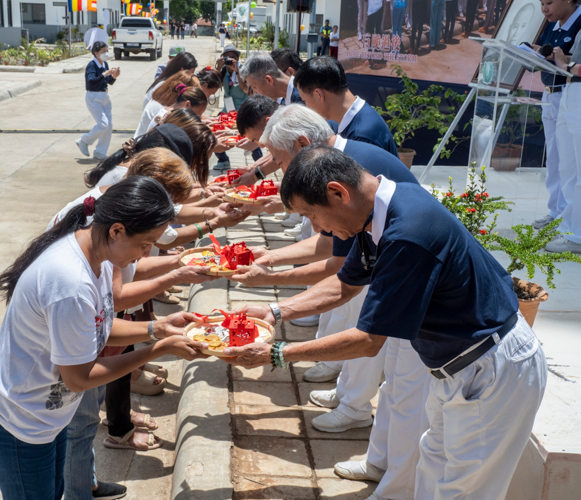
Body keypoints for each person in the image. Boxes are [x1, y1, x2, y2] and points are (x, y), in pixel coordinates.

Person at [224, 144, 548, 500]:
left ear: (338, 192)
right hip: (457, 366)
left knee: (462, 490)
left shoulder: (407, 231)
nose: (318, 228)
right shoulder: (377, 212)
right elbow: (345, 283)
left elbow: (368, 340)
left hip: (491, 368)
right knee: (432, 469)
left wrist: (278, 353)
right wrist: (274, 312)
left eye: (312, 215)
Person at [0, 175, 209, 499]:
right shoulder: (71, 283)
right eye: (144, 244)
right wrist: (158, 349)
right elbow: (79, 379)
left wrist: (157, 328)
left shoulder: (97, 259)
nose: (143, 255)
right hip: (16, 423)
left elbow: (96, 327)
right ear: (116, 230)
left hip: (44, 416)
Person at [531, 0, 581, 231]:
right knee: (555, 158)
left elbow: (573, 62)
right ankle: (556, 211)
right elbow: (546, 51)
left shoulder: (578, 21)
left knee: (570, 161)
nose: (544, 9)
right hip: (551, 92)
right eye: (541, 3)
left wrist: (563, 62)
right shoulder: (552, 24)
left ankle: (569, 219)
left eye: (549, 2)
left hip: (570, 93)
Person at [294, 56, 398, 156]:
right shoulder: (353, 119)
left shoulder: (362, 137)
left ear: (319, 94)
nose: (307, 107)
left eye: (305, 100)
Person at [546, 28, 581, 254]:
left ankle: (576, 236)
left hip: (575, 86)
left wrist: (566, 66)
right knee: (568, 169)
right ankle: (569, 226)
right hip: (571, 89)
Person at [76, 41, 120, 161]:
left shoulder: (104, 64)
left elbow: (107, 82)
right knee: (103, 124)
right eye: (103, 51)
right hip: (94, 97)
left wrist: (114, 77)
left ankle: (100, 152)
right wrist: (105, 74)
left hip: (104, 96)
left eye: (107, 51)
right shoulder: (92, 65)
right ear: (96, 53)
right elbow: (91, 81)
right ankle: (84, 141)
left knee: (109, 125)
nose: (106, 53)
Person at [213, 44, 250, 170]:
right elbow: (215, 85)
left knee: (251, 134)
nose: (230, 60)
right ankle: (223, 160)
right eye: (227, 57)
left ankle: (258, 164)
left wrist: (237, 71)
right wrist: (218, 68)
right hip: (228, 108)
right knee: (214, 130)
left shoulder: (243, 70)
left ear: (238, 59)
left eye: (233, 57)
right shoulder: (223, 70)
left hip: (243, 108)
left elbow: (245, 89)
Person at [134, 74, 205, 138]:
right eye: (198, 115)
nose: (199, 118)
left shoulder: (171, 110)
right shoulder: (168, 117)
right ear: (187, 104)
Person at [239, 52, 305, 105]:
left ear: (268, 80)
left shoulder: (302, 98)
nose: (255, 93)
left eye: (254, 87)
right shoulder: (284, 100)